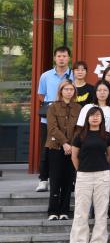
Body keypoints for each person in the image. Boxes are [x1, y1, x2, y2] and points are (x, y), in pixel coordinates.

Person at [68, 107, 110, 243]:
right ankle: (78, 242)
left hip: (102, 175)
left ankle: (98, 241)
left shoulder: (107, 136)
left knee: (101, 210)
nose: (95, 118)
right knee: (81, 210)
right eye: (92, 115)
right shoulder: (80, 135)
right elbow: (74, 156)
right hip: (84, 175)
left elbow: (109, 156)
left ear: (102, 118)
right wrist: (81, 169)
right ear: (87, 118)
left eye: (98, 115)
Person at [35, 45, 73, 192]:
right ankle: (43, 179)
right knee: (47, 149)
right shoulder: (46, 76)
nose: (61, 59)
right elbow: (41, 95)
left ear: (69, 58)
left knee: (68, 148)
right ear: (55, 58)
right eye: (59, 56)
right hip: (49, 120)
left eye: (64, 56)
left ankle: (66, 180)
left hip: (68, 120)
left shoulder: (73, 75)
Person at [46, 81, 81, 220]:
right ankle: (53, 211)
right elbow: (52, 128)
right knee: (55, 179)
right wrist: (65, 143)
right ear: (61, 91)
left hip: (72, 148)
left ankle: (64, 211)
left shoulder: (78, 108)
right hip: (56, 147)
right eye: (66, 89)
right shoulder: (53, 107)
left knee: (68, 179)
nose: (69, 91)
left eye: (71, 89)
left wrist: (71, 145)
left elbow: (79, 128)